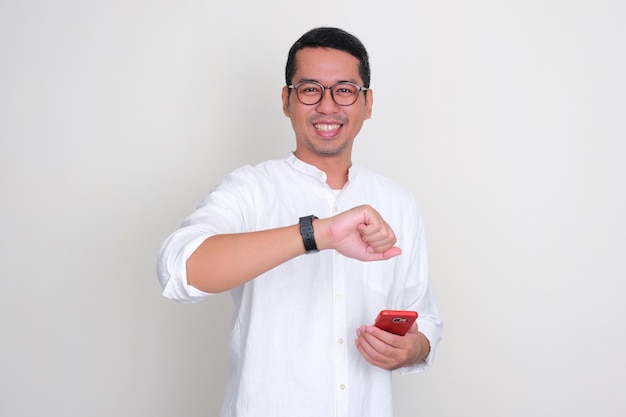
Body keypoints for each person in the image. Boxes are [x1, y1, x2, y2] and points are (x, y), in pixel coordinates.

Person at [157, 27, 442, 417]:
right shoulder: (250, 189)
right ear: (287, 100)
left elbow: (424, 316)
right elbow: (179, 271)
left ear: (368, 103)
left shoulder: (399, 203)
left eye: (344, 90)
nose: (327, 106)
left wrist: (414, 348)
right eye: (310, 89)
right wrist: (317, 233)